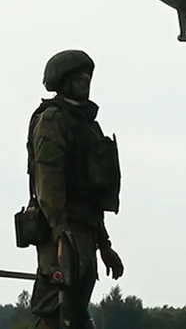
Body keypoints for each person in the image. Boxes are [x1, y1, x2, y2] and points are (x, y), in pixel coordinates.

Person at [29, 50, 124, 329]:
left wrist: (104, 245)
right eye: (77, 75)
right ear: (63, 81)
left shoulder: (87, 125)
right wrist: (61, 235)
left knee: (77, 315)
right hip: (62, 232)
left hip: (85, 232)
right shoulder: (52, 120)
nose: (85, 79)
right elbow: (48, 183)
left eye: (87, 74)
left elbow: (93, 194)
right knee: (55, 314)